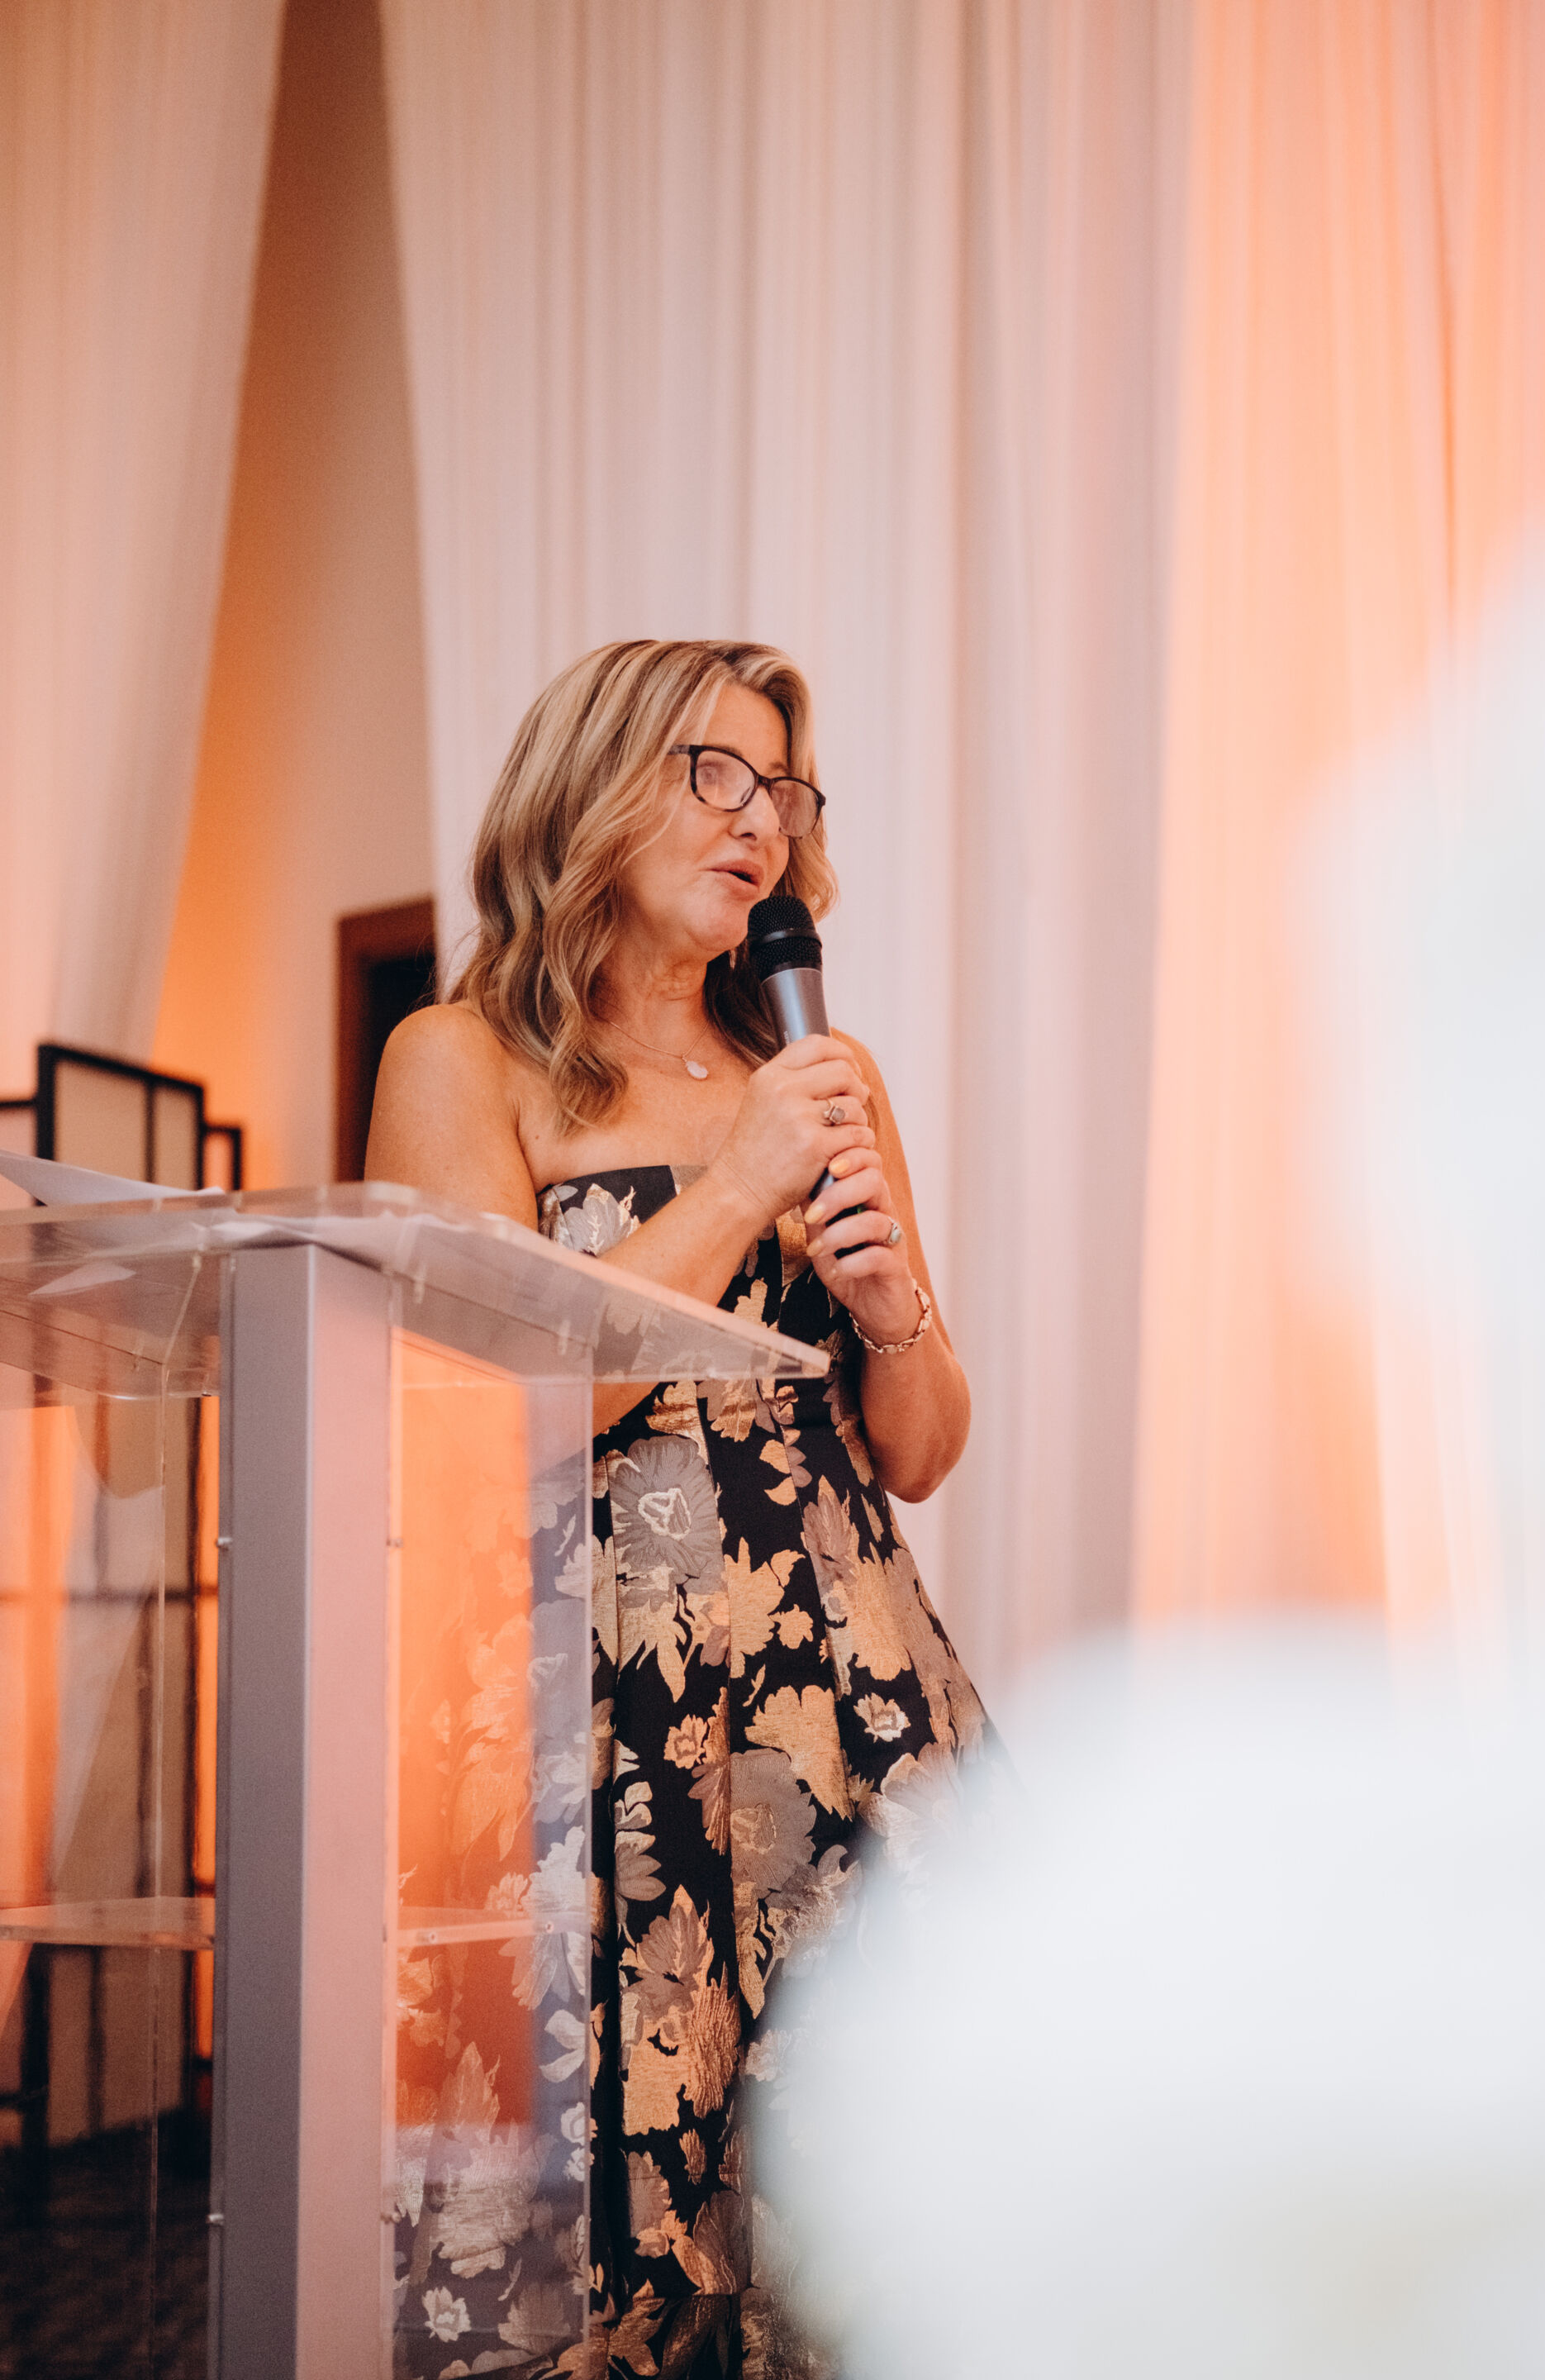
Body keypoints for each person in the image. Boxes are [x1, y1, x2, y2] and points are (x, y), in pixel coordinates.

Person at [368, 637, 991, 2379]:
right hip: (592, 1707)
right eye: (714, 771)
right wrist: (739, 1185)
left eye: (783, 786)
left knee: (866, 2195)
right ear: (591, 782)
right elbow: (489, 1421)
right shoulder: (463, 1059)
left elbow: (923, 1447)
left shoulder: (816, 1066)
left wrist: (889, 1309)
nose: (762, 820)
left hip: (841, 1699)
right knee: (612, 2228)